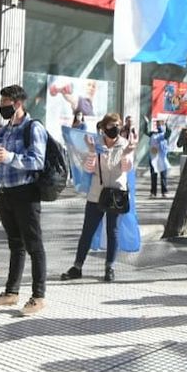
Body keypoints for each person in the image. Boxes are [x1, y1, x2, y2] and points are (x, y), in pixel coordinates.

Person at [0, 85, 49, 316]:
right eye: (1, 102)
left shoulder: (33, 128)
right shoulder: (4, 130)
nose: (2, 106)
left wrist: (8, 157)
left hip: (26, 193)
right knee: (15, 244)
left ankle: (38, 296)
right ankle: (11, 292)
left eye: (5, 103)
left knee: (34, 245)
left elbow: (37, 161)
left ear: (18, 103)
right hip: (5, 192)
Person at [61, 113, 136, 283]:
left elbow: (126, 168)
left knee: (113, 231)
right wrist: (92, 151)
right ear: (103, 127)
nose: (114, 129)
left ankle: (110, 267)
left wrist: (126, 153)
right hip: (97, 194)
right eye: (111, 125)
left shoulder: (125, 144)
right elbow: (88, 169)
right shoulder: (96, 143)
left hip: (117, 194)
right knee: (87, 231)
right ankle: (77, 267)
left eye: (117, 125)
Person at [147, 119, 170, 198]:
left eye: (160, 124)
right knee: (153, 176)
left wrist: (167, 125)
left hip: (162, 158)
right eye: (157, 124)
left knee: (163, 176)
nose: (158, 125)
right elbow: (145, 132)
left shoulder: (164, 134)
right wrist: (146, 123)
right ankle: (153, 192)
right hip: (153, 157)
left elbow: (168, 132)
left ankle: (164, 191)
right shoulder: (153, 134)